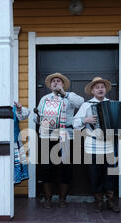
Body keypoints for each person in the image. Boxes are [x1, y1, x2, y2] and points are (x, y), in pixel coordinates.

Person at [73, 77, 121, 213]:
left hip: (110, 145)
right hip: (92, 145)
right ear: (92, 91)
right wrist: (85, 119)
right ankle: (99, 201)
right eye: (97, 87)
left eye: (102, 87)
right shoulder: (86, 105)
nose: (100, 89)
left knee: (110, 174)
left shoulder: (115, 104)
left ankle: (110, 201)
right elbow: (75, 123)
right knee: (95, 174)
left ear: (105, 89)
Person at [34, 72, 84, 209]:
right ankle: (48, 198)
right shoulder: (45, 98)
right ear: (50, 85)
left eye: (58, 81)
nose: (56, 83)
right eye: (53, 81)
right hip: (47, 136)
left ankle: (62, 199)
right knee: (46, 168)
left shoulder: (70, 97)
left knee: (65, 168)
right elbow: (36, 117)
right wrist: (38, 118)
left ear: (63, 84)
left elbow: (81, 103)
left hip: (65, 136)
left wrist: (64, 93)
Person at [0, 102, 30, 184]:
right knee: (1, 170)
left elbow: (24, 114)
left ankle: (10, 195)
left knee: (12, 172)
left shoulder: (15, 109)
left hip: (14, 145)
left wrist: (19, 109)